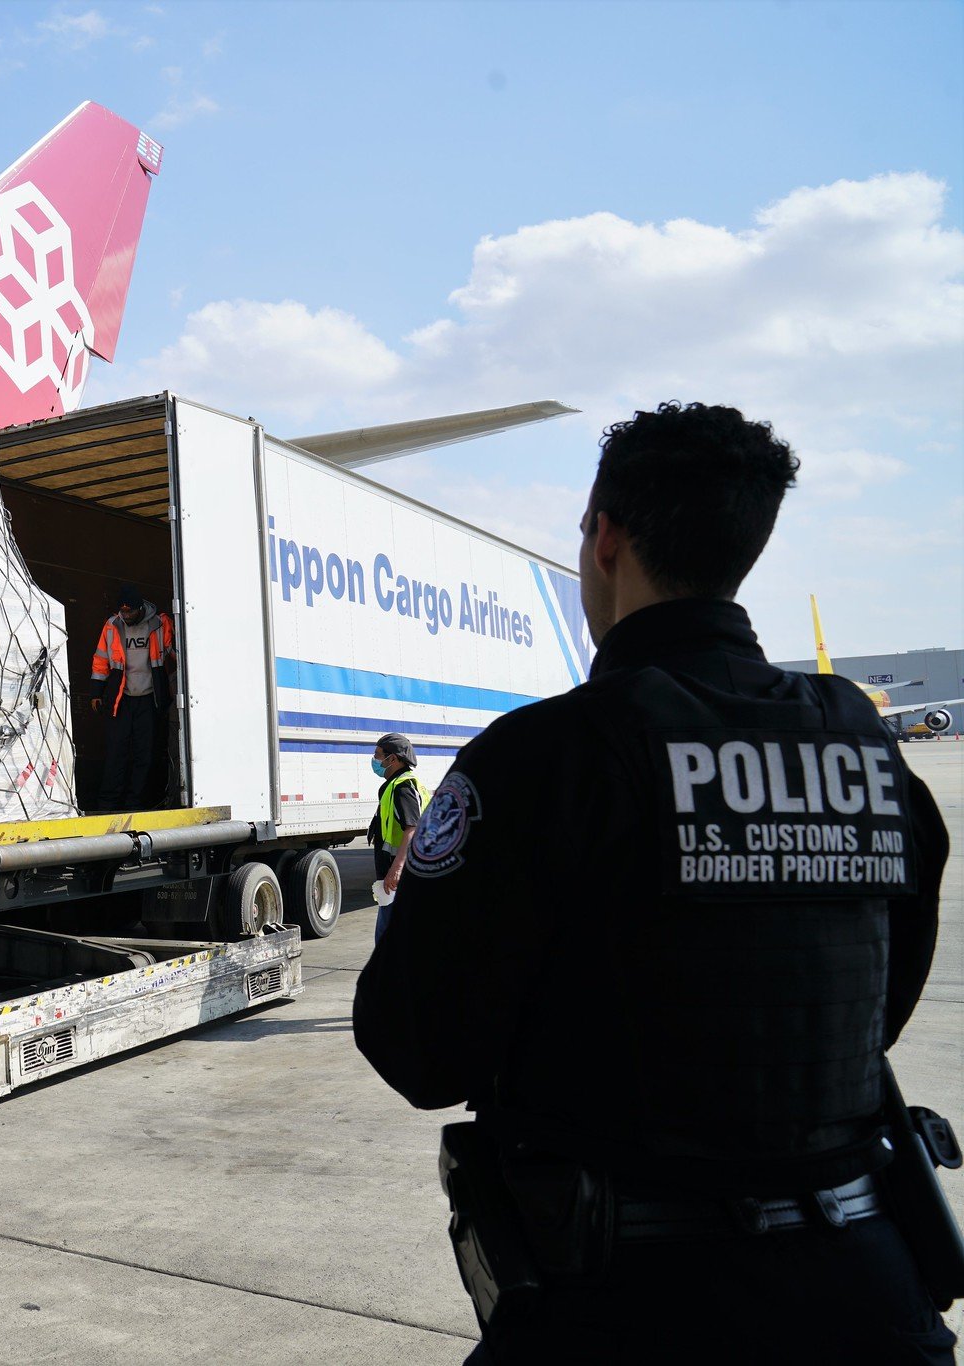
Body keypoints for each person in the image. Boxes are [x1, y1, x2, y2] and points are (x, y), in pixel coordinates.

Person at [354, 402, 952, 1363]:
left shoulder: (547, 757)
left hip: (622, 1301)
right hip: (868, 1295)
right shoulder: (869, 752)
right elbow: (872, 1012)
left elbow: (420, 1053)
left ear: (604, 537)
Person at [90, 584, 174, 810]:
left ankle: (135, 804)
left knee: (143, 754)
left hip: (149, 699)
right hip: (121, 699)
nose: (125, 616)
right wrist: (96, 692)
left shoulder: (159, 624)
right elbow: (100, 660)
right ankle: (108, 804)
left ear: (140, 608)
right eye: (122, 612)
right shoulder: (112, 626)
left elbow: (176, 654)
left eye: (130, 612)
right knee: (117, 752)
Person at [366, 732, 425, 943]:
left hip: (400, 878)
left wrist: (396, 869)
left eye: (378, 755)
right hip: (400, 877)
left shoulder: (403, 787)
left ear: (393, 759)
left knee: (386, 939)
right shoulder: (395, 785)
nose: (375, 760)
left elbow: (413, 829)